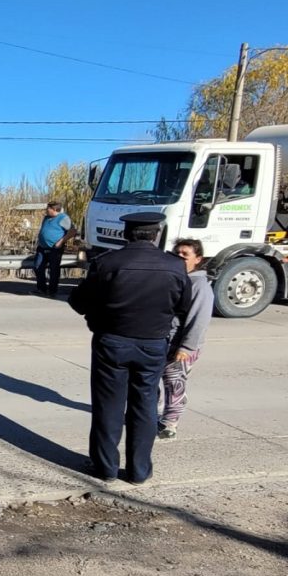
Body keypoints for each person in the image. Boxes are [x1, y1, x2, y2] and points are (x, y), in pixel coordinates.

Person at [68, 212, 191, 485]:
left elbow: (78, 301)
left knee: (108, 406)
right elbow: (183, 308)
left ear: (126, 234)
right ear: (157, 234)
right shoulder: (175, 266)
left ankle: (106, 468)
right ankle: (138, 471)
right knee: (145, 405)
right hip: (153, 345)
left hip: (112, 342)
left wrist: (96, 317)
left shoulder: (108, 263)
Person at [158, 238, 213, 440]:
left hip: (180, 346)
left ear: (197, 259)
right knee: (152, 381)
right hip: (161, 341)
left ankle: (169, 423)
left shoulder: (199, 286)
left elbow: (199, 320)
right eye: (177, 253)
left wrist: (186, 347)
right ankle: (151, 414)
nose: (180, 257)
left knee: (174, 384)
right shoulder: (174, 278)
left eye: (185, 254)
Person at [33, 202, 77, 297]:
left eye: (48, 209)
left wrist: (61, 241)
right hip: (42, 247)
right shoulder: (46, 218)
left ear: (55, 210)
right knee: (37, 266)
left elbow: (73, 231)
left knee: (54, 269)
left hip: (55, 248)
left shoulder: (63, 218)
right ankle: (42, 289)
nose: (46, 210)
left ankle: (52, 291)